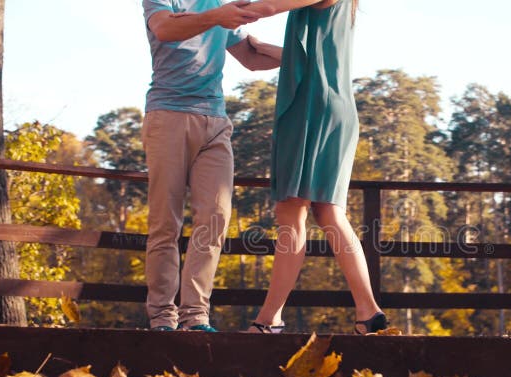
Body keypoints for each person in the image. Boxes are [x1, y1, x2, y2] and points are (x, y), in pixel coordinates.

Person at [240, 0, 388, 335]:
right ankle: (369, 313)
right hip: (335, 106)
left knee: (291, 212)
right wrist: (270, 49)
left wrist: (218, 15)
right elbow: (314, 59)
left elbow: (268, 6)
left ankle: (269, 319)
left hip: (311, 108)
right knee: (328, 212)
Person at [142, 0, 282, 332]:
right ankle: (162, 317)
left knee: (215, 218)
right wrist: (216, 17)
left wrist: (304, 57)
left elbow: (250, 56)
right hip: (168, 116)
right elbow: (165, 29)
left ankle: (195, 315)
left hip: (216, 121)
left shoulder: (218, 4)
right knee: (165, 222)